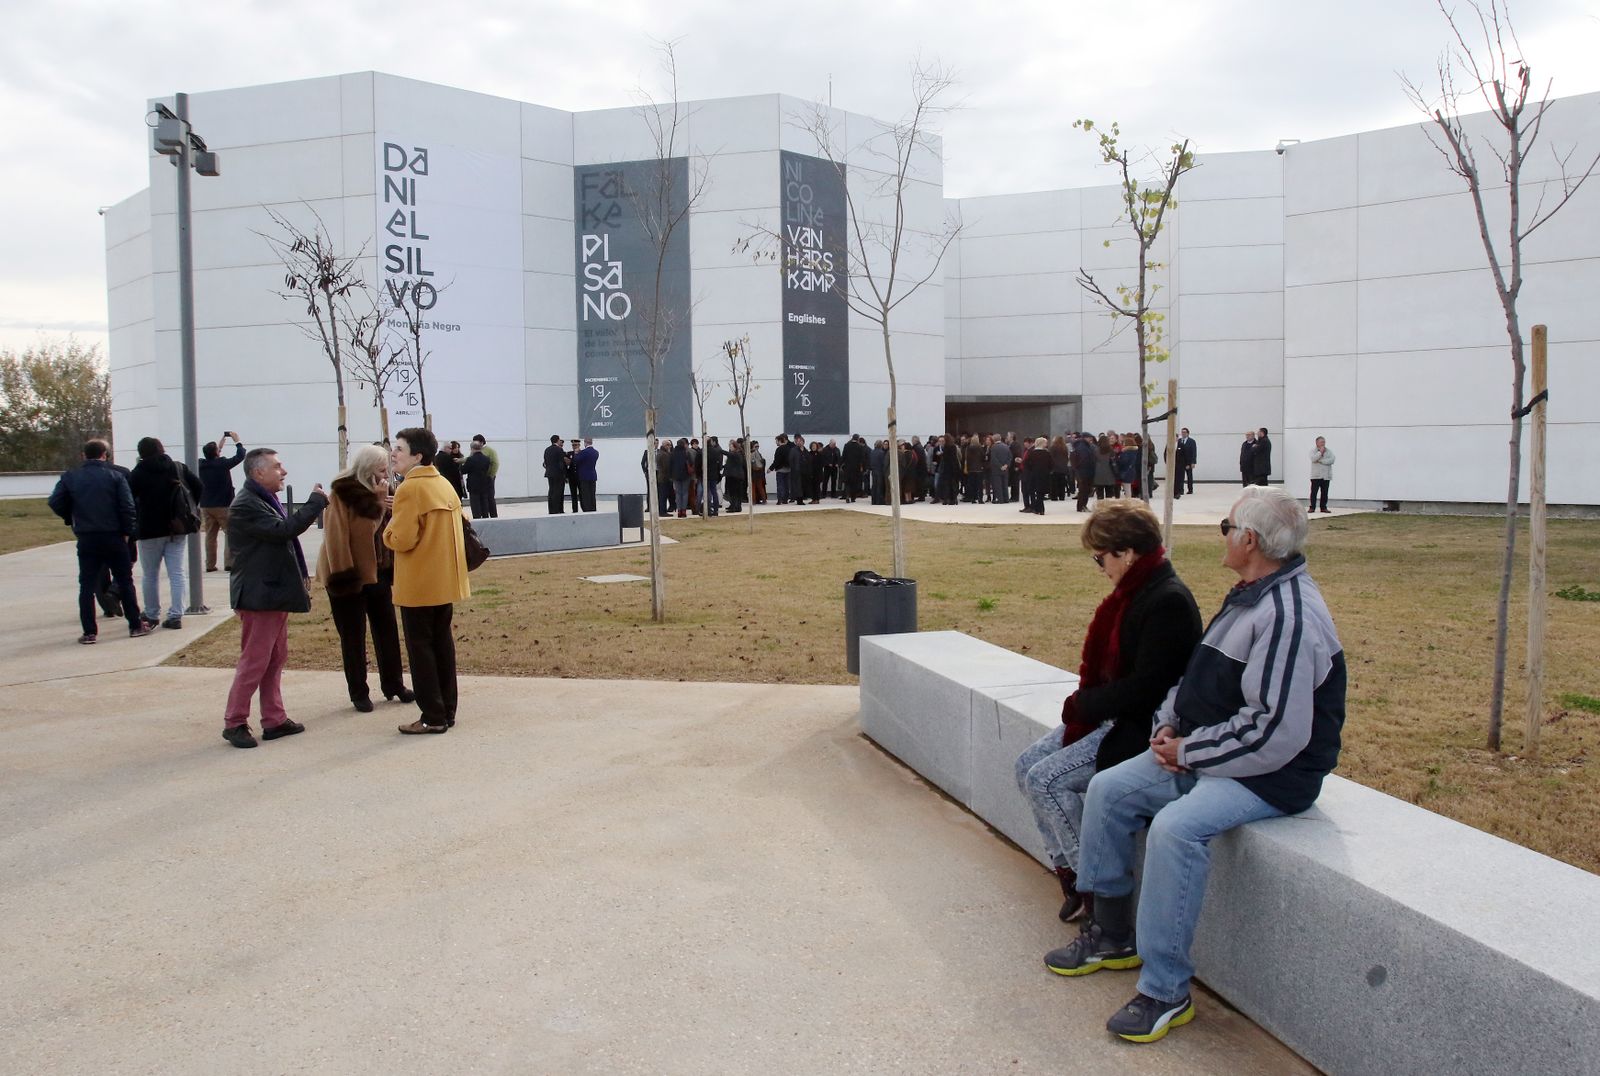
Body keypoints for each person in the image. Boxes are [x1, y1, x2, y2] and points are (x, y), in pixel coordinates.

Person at [1048, 486, 1346, 1044]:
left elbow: (1276, 733)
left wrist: (1188, 752)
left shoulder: (1290, 617)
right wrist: (1168, 724)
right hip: (1207, 750)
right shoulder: (1250, 595)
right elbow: (1189, 681)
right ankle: (1111, 933)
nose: (1222, 536)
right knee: (1110, 790)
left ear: (1249, 540)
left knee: (1177, 829)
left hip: (1268, 775)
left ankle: (1165, 990)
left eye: (1226, 527)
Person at [1015, 499, 1200, 924]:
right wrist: (1087, 704)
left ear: (1127, 553)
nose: (1099, 567)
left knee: (1046, 780)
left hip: (1140, 727)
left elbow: (1146, 690)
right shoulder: (1136, 593)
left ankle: (1092, 890)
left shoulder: (1166, 601)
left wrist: (1085, 704)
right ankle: (1069, 872)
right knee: (1025, 765)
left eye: (1101, 558)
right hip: (1112, 715)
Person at [222, 448, 327, 748]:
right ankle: (235, 722)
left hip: (271, 592)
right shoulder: (246, 505)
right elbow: (284, 531)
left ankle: (274, 719)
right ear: (258, 473)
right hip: (259, 596)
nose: (284, 472)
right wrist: (315, 504)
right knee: (255, 660)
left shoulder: (262, 500)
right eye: (278, 467)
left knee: (275, 657)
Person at [384, 427, 470, 735]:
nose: (394, 454)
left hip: (419, 584)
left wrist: (389, 528)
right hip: (444, 581)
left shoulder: (409, 488)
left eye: (400, 449)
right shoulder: (443, 484)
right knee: (442, 646)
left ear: (417, 456)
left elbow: (402, 539)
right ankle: (446, 710)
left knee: (421, 651)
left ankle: (432, 716)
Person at [317, 444, 414, 713]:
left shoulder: (385, 489)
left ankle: (394, 684)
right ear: (366, 468)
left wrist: (396, 509)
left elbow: (388, 529)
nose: (387, 473)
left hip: (379, 570)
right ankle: (358, 692)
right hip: (348, 572)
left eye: (387, 468)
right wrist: (379, 505)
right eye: (382, 468)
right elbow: (343, 535)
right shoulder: (342, 491)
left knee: (387, 630)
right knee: (353, 635)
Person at [48, 439, 154, 644]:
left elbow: (55, 502)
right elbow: (128, 506)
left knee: (86, 585)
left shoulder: (71, 477)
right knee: (125, 580)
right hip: (114, 535)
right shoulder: (116, 475)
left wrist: (71, 518)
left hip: (87, 536)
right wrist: (127, 531)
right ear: (105, 454)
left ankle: (89, 632)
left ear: (83, 455)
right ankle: (135, 625)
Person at [128, 436, 204, 629]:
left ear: (141, 453)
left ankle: (152, 613)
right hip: (177, 527)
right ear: (161, 448)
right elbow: (199, 487)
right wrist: (189, 508)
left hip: (149, 529)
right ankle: (176, 614)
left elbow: (129, 499)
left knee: (150, 574)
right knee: (177, 572)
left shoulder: (138, 473)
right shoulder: (177, 467)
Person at [198, 431, 245, 572]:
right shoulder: (222, 464)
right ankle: (229, 563)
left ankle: (210, 565)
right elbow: (240, 456)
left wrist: (219, 446)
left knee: (210, 536)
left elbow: (213, 458)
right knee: (229, 533)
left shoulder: (201, 464)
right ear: (217, 453)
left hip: (206, 505)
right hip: (223, 504)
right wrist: (237, 441)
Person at [461, 441, 493, 519]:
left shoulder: (470, 459)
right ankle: (485, 518)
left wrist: (461, 464)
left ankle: (477, 519)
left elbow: (463, 470)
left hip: (473, 486)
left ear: (472, 449)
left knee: (475, 506)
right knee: (484, 504)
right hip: (484, 484)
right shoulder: (486, 459)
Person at [1022, 436, 1053, 514]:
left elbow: (1026, 463)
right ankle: (1040, 508)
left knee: (1034, 491)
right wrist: (1048, 471)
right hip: (1044, 475)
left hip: (1033, 475)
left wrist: (1031, 470)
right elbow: (1051, 464)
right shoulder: (1047, 453)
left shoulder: (1032, 453)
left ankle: (1037, 508)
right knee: (1040, 492)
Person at [471, 434, 500, 516]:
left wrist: (491, 475)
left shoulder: (489, 450)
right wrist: (460, 460)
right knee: (484, 498)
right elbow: (469, 459)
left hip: (488, 477)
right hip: (481, 478)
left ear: (481, 442)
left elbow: (495, 463)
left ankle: (493, 515)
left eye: (475, 441)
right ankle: (485, 514)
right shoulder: (476, 450)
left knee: (490, 497)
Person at [1309, 436, 1335, 513]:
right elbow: (1313, 459)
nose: (1323, 443)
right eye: (1321, 442)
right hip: (1316, 476)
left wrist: (1321, 461)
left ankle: (1323, 507)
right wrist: (1320, 452)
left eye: (1324, 442)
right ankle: (1312, 507)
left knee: (1324, 493)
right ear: (1316, 443)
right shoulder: (1313, 451)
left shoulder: (1329, 451)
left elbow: (1332, 460)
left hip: (1326, 476)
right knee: (1314, 493)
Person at [542, 434, 566, 514]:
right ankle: (558, 509)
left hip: (549, 473)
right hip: (558, 474)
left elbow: (545, 462)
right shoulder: (559, 450)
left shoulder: (547, 450)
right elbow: (561, 463)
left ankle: (551, 509)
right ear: (557, 440)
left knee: (551, 491)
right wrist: (564, 474)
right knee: (558, 492)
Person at [575, 437, 600, 512]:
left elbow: (577, 460)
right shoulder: (596, 452)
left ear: (585, 443)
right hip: (592, 475)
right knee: (592, 494)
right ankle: (593, 508)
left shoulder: (584, 452)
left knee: (585, 494)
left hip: (584, 476)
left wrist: (576, 453)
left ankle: (587, 509)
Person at [989, 436, 1013, 504]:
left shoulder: (993, 447)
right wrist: (1006, 465)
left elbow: (994, 459)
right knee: (1005, 484)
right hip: (1005, 469)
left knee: (998, 485)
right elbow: (1010, 457)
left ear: (994, 440)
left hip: (996, 469)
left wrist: (1000, 466)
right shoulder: (1006, 446)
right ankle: (1006, 499)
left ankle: (1000, 499)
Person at [1175, 427, 1197, 497]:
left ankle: (1190, 489)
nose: (1183, 433)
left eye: (1184, 432)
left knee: (1189, 476)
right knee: (1180, 477)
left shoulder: (1192, 441)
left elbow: (1194, 452)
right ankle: (1181, 490)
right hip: (1181, 463)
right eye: (1182, 432)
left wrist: (1193, 462)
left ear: (1188, 433)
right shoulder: (1179, 441)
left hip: (1189, 462)